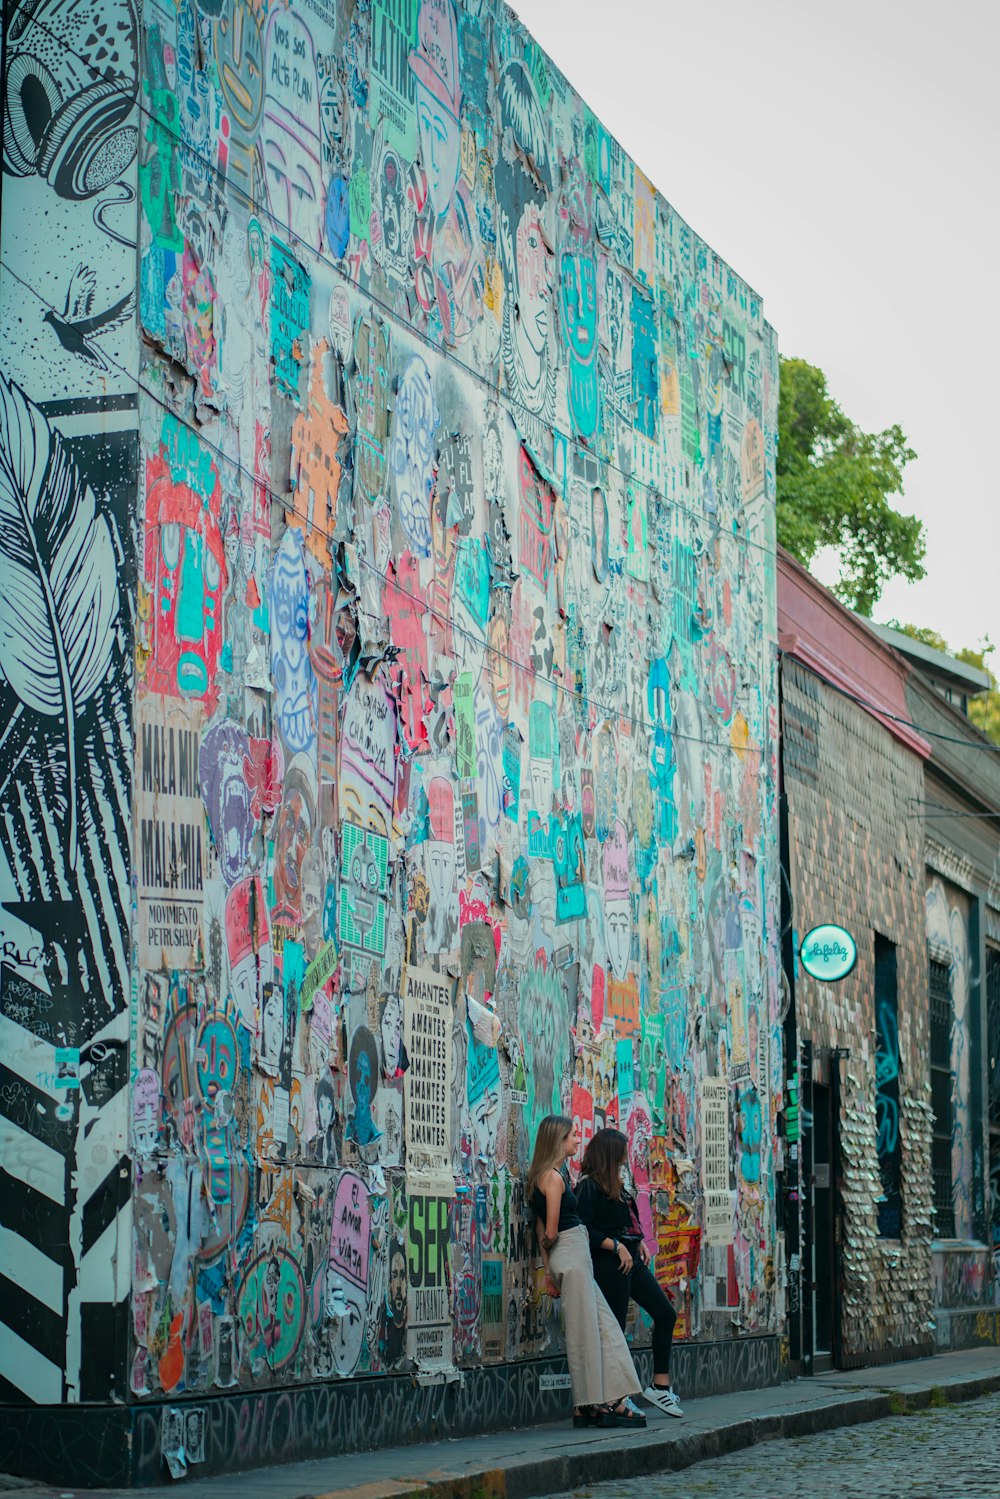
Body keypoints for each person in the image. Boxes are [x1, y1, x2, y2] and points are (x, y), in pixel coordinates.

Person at [527, 1115, 646, 1428]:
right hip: (570, 1250)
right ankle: (596, 1403)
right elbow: (549, 1231)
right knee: (586, 1332)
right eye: (572, 1136)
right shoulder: (553, 1178)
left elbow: (542, 1225)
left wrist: (549, 1269)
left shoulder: (548, 1175)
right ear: (558, 1140)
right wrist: (550, 1248)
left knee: (602, 1326)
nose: (578, 1140)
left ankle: (600, 1401)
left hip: (569, 1254)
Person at [576, 1128, 684, 1417]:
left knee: (665, 1313)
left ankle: (660, 1387)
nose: (628, 1153)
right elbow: (583, 1230)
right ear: (611, 1152)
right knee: (614, 1331)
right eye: (623, 1148)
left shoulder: (616, 1184)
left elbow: (626, 1223)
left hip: (630, 1260)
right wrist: (616, 1246)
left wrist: (637, 1245)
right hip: (609, 1264)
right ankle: (615, 1397)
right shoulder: (588, 1186)